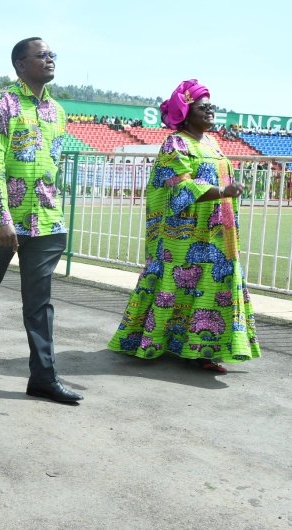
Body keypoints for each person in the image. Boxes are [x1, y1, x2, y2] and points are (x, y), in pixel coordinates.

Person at [0, 37, 82, 403]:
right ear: (20, 65)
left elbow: (51, 165)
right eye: (41, 55)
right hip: (3, 217)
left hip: (45, 219)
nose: (50, 59)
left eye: (52, 54)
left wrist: (53, 210)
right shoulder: (1, 103)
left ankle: (43, 377)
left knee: (40, 302)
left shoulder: (58, 111)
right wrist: (3, 218)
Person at [108, 80, 260, 372]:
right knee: (182, 285)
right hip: (185, 236)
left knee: (215, 286)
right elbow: (180, 187)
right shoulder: (175, 143)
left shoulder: (212, 143)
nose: (210, 110)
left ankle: (203, 350)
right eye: (203, 106)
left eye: (211, 105)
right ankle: (160, 343)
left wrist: (228, 194)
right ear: (186, 114)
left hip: (218, 232)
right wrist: (222, 192)